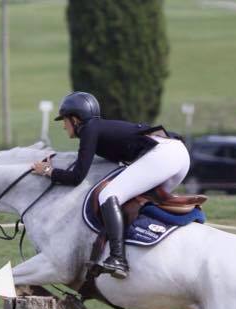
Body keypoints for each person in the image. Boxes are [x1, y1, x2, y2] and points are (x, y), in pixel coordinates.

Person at [31, 91, 191, 279]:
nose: (64, 126)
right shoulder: (100, 129)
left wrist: (47, 171)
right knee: (134, 201)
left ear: (75, 119)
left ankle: (118, 258)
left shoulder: (89, 129)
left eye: (64, 120)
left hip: (163, 155)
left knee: (108, 195)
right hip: (179, 155)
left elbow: (76, 177)